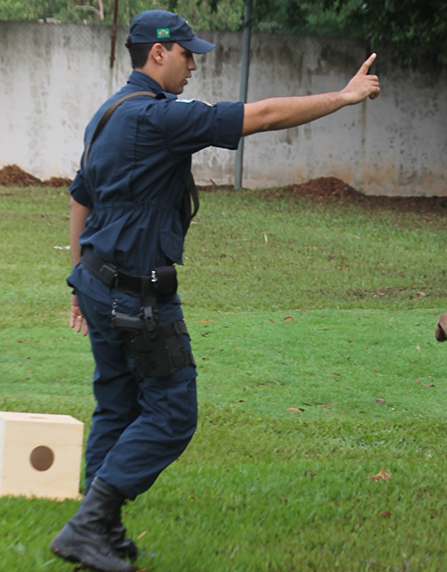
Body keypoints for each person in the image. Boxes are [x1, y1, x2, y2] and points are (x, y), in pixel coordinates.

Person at [49, 9, 379, 572]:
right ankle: (86, 526)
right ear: (158, 54)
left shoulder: (106, 115)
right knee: (172, 414)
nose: (194, 65)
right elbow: (266, 114)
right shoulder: (159, 118)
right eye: (186, 53)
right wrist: (344, 97)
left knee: (116, 406)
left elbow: (81, 197)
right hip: (138, 295)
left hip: (98, 284)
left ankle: (98, 533)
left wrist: (77, 280)